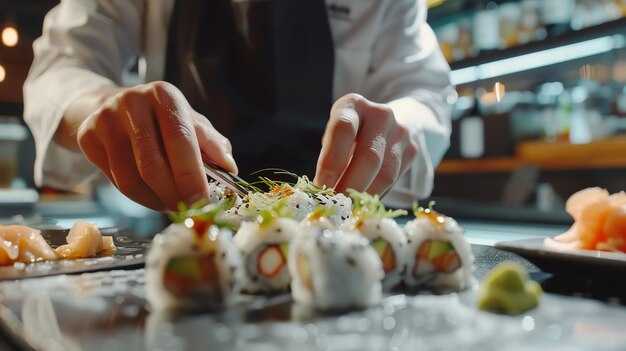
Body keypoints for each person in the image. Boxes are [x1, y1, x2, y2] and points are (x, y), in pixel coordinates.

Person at [23, 0, 453, 212]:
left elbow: (423, 92)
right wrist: (101, 105)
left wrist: (396, 129)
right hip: (184, 220)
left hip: (339, 224)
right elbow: (61, 67)